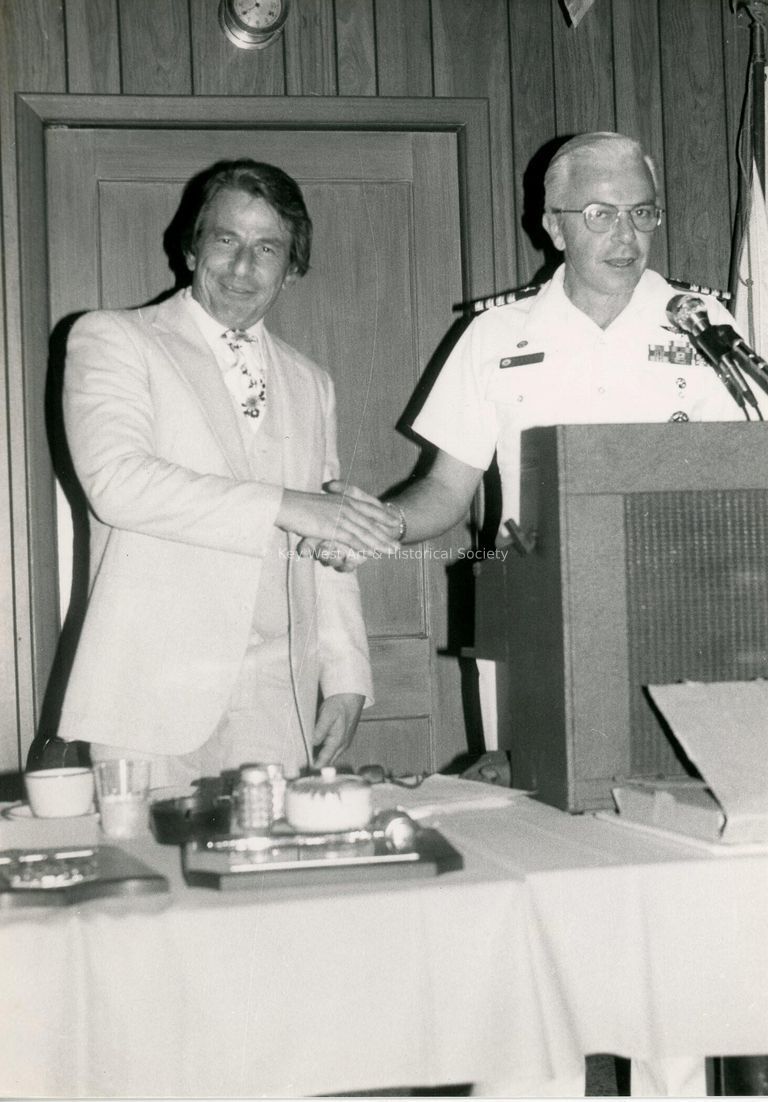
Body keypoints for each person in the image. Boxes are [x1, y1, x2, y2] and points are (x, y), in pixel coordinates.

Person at [310, 132, 761, 1096]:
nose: (625, 234)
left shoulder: (708, 324)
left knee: (671, 879)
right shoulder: (495, 338)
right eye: (598, 214)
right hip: (542, 643)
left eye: (641, 211)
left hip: (686, 638)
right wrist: (372, 526)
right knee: (543, 867)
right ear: (551, 225)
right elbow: (447, 488)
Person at [55, 158, 398, 787]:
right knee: (147, 881)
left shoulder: (311, 381)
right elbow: (119, 485)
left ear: (292, 269)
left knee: (277, 884)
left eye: (267, 248)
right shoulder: (112, 339)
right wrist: (284, 504)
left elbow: (330, 537)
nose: (243, 267)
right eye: (225, 240)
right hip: (147, 697)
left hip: (277, 701)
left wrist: (347, 679)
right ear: (191, 249)